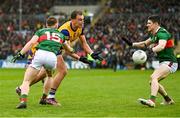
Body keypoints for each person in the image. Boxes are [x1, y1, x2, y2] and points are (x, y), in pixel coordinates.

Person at [15, 10, 102, 106]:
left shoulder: (80, 28)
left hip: (54, 50)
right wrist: (80, 58)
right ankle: (50, 97)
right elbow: (68, 50)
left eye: (83, 19)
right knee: (63, 71)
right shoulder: (65, 31)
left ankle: (22, 88)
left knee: (44, 74)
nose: (82, 21)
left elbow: (84, 43)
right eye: (80, 19)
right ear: (73, 20)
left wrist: (92, 53)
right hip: (52, 50)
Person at [122, 15, 178, 107]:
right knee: (152, 81)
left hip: (170, 62)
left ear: (155, 24)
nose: (146, 25)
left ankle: (151, 101)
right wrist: (131, 44)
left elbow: (161, 46)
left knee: (154, 77)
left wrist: (151, 50)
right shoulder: (154, 34)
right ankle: (168, 100)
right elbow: (144, 44)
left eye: (149, 23)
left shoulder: (162, 33)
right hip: (164, 62)